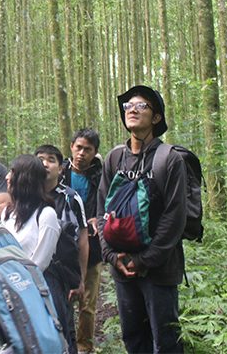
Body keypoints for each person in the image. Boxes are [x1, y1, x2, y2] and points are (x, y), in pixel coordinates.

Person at [97, 86, 187, 353]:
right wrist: (113, 257)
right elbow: (102, 211)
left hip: (159, 270)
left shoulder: (169, 159)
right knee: (134, 339)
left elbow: (175, 218)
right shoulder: (114, 158)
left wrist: (144, 260)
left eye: (142, 106)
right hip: (122, 269)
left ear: (156, 118)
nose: (132, 109)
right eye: (128, 106)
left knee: (166, 341)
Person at [36, 144, 88, 353]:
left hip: (63, 275)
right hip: (33, 274)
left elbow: (83, 239)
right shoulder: (26, 195)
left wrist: (80, 280)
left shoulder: (70, 197)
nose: (45, 164)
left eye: (50, 160)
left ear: (60, 167)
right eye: (40, 159)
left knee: (64, 327)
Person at [60, 128, 104, 353]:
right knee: (61, 296)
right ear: (71, 147)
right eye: (78, 148)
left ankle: (84, 346)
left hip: (93, 248)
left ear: (95, 152)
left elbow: (110, 203)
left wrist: (99, 216)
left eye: (87, 149)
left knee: (87, 303)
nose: (81, 153)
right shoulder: (61, 172)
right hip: (63, 250)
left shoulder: (101, 176)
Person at [1, 154, 60, 272]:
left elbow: (39, 264)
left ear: (24, 179)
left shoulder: (46, 215)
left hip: (32, 286)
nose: (7, 177)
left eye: (12, 173)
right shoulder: (7, 212)